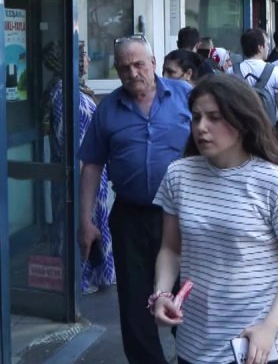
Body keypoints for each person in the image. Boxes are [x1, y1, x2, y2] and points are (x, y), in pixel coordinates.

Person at [151, 74, 278, 364]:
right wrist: (161, 293)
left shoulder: (273, 182)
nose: (201, 128)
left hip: (255, 342)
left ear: (242, 122)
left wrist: (269, 326)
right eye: (196, 117)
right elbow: (171, 249)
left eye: (214, 117)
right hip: (194, 339)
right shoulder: (178, 174)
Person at [78, 36, 192, 364]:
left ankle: (191, 355)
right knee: (134, 298)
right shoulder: (108, 109)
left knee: (188, 290)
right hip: (131, 216)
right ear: (116, 69)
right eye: (125, 67)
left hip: (183, 214)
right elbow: (92, 165)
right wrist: (85, 221)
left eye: (139, 64)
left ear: (153, 63)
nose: (133, 72)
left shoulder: (186, 96)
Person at [44, 41, 115, 294]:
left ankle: (94, 273)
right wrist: (88, 177)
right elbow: (77, 143)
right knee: (82, 224)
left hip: (84, 172)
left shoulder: (68, 90)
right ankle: (82, 277)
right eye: (82, 56)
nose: (87, 61)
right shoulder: (68, 95)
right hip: (82, 174)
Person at [237, 28, 278, 121]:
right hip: (267, 127)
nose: (268, 48)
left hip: (240, 127)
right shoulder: (275, 71)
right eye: (267, 44)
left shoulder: (231, 71)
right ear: (260, 47)